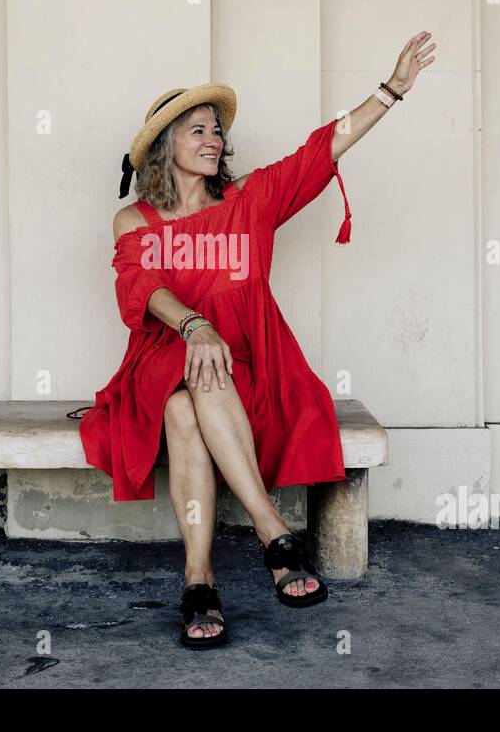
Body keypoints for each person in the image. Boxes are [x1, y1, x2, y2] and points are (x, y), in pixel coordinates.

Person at [76, 32, 437, 648]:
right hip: (163, 357)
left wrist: (392, 90)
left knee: (190, 404)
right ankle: (274, 536)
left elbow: (322, 149)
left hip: (249, 366)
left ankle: (199, 581)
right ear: (166, 146)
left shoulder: (252, 202)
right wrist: (195, 324)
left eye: (217, 131)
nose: (214, 140)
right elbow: (139, 287)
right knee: (188, 382)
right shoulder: (136, 219)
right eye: (198, 130)